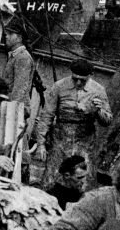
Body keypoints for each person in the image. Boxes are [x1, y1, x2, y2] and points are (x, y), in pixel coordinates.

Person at [32, 58, 112, 190]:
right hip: (61, 138)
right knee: (52, 178)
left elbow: (107, 121)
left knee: (84, 180)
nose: (78, 83)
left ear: (90, 76)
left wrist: (98, 111)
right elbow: (46, 116)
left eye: (83, 80)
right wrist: (41, 144)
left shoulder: (98, 90)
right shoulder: (59, 86)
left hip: (85, 139)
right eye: (75, 79)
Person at [3, 27, 35, 107]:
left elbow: (19, 89)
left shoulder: (22, 57)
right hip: (10, 104)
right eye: (7, 34)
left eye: (10, 34)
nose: (6, 36)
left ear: (19, 38)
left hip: (16, 107)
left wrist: (12, 109)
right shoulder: (15, 56)